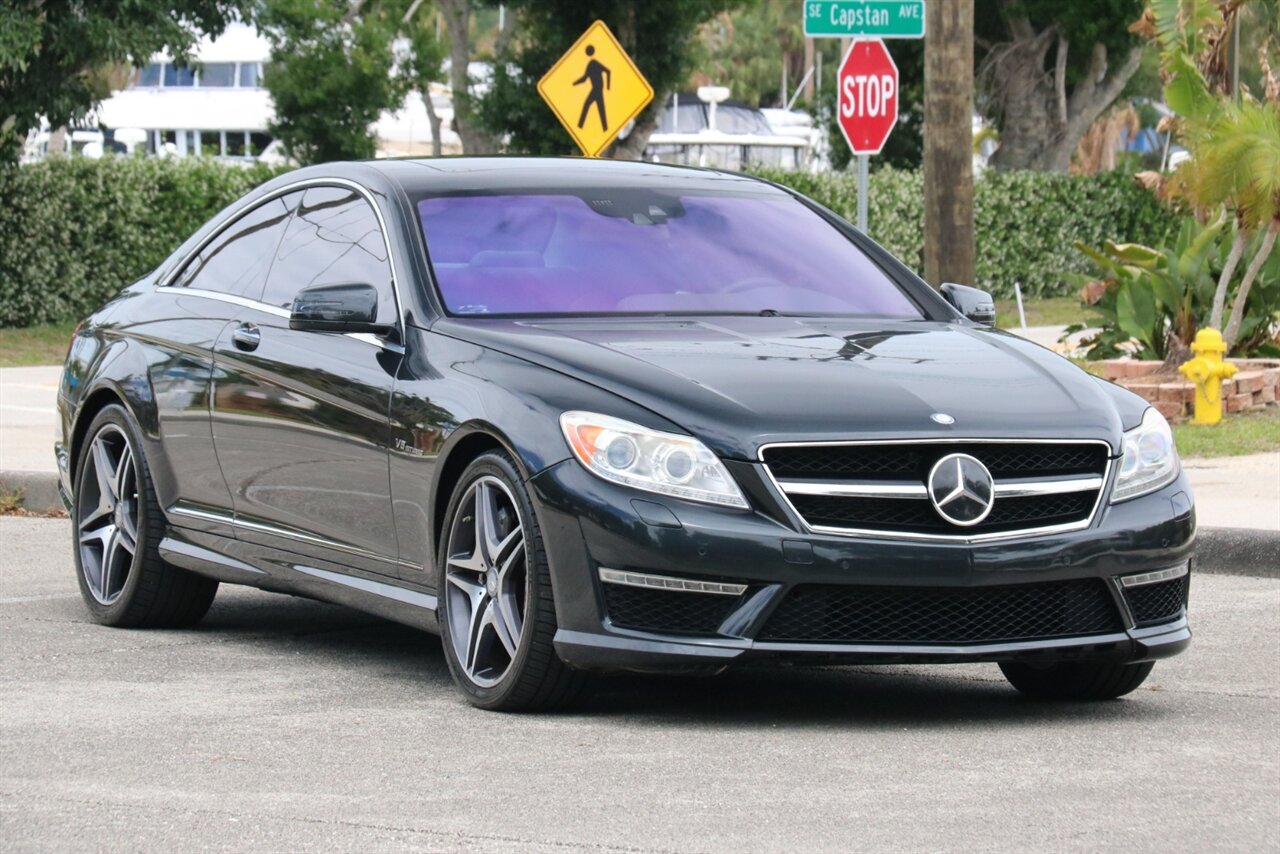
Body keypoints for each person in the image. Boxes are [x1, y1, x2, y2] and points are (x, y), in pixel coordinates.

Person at [573, 45, 611, 131]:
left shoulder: (594, 63)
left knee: (589, 106)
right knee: (600, 109)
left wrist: (608, 86)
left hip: (597, 90)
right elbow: (584, 79)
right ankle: (604, 128)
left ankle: (580, 126)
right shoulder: (591, 64)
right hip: (596, 89)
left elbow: (608, 71)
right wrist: (574, 83)